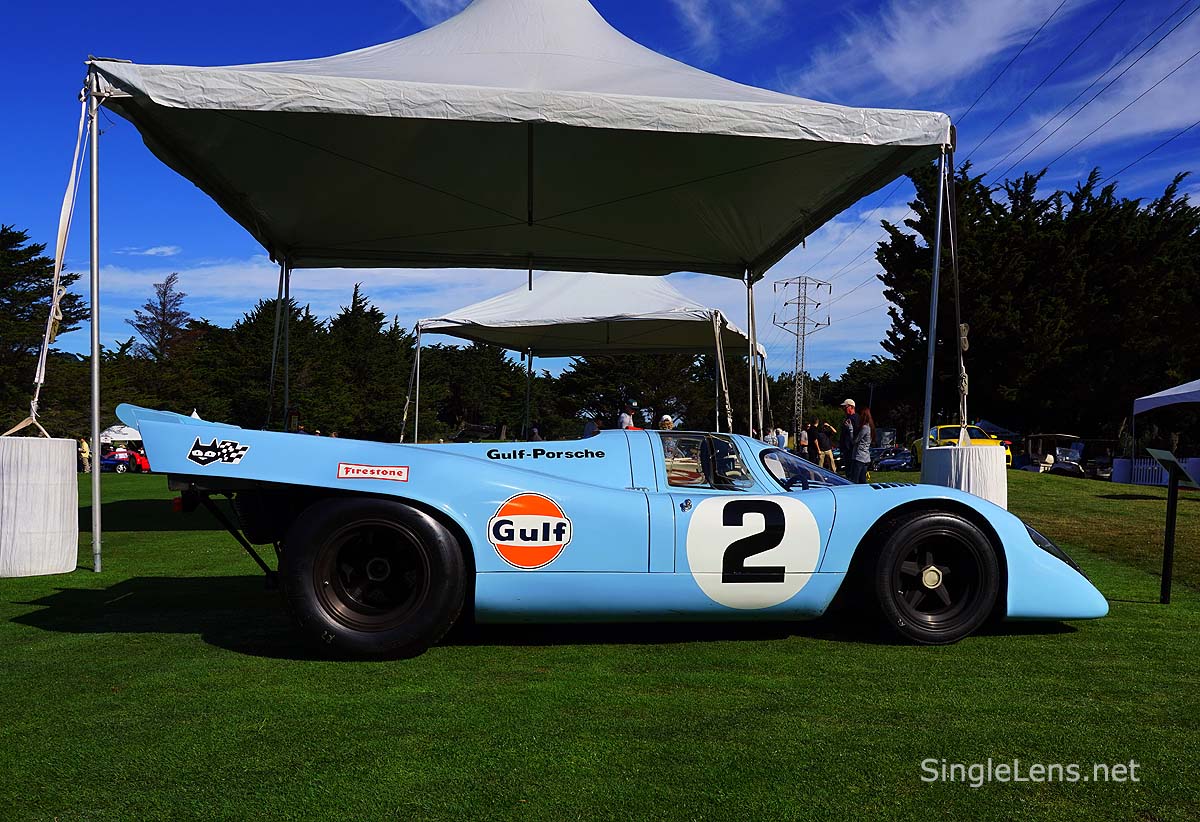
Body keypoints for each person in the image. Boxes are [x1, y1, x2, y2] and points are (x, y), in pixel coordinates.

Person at [851, 407, 875, 484]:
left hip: (859, 457)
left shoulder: (865, 428)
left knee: (854, 480)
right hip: (866, 457)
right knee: (862, 480)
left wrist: (850, 429)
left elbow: (855, 441)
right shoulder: (870, 427)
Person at [839, 398, 860, 475]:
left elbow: (856, 433)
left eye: (845, 407)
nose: (844, 409)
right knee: (848, 470)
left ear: (851, 407)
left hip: (851, 448)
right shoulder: (847, 418)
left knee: (851, 471)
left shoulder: (855, 418)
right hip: (846, 449)